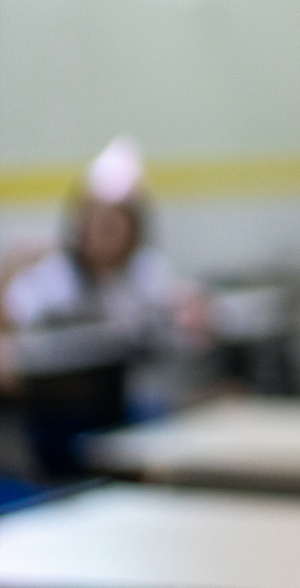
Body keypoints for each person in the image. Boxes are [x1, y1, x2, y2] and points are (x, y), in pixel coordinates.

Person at [0, 138, 202, 479]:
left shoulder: (144, 271)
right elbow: (12, 314)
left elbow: (178, 308)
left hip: (119, 401)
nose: (100, 235)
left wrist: (192, 309)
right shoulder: (56, 275)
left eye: (112, 225)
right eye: (93, 224)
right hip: (59, 409)